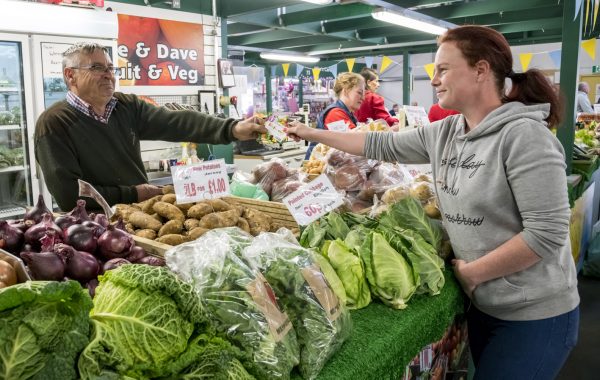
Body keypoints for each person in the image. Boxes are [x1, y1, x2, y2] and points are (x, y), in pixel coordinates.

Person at [287, 25, 579, 379]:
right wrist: (309, 132)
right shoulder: (447, 131)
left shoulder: (526, 137)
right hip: (486, 307)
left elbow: (547, 234)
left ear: (481, 70)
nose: (434, 79)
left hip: (535, 313)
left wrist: (473, 272)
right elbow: (380, 145)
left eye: (443, 69)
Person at [34, 42, 266, 211]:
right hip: (93, 232)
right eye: (97, 68)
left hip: (139, 217)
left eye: (110, 68)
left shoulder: (126, 106)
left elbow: (177, 122)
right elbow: (68, 195)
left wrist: (233, 129)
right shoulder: (54, 123)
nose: (108, 75)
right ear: (70, 75)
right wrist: (133, 194)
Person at [304, 72, 364, 159]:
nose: (363, 97)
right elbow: (354, 144)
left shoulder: (348, 113)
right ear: (346, 91)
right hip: (317, 169)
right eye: (359, 92)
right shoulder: (335, 114)